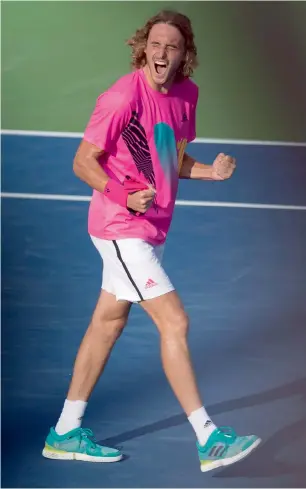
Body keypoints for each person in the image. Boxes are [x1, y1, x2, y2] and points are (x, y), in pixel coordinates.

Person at [42, 10, 261, 472]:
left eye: (172, 46)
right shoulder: (122, 96)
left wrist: (208, 172)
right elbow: (83, 161)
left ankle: (65, 430)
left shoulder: (186, 96)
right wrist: (122, 193)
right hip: (120, 228)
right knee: (175, 322)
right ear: (143, 47)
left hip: (152, 229)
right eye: (155, 44)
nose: (162, 53)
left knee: (107, 324)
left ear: (185, 55)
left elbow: (171, 157)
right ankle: (208, 438)